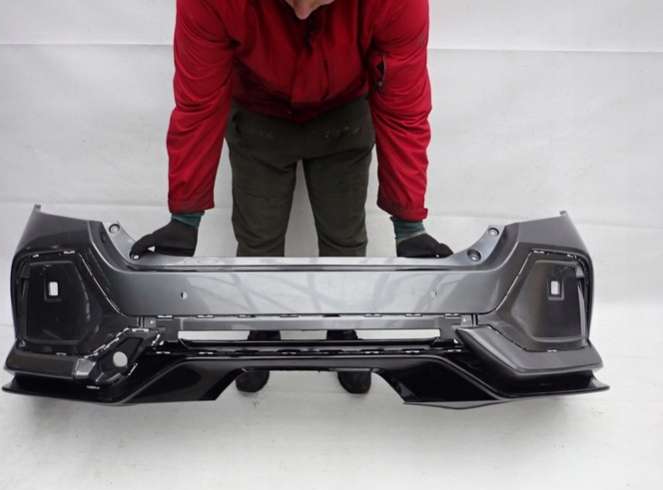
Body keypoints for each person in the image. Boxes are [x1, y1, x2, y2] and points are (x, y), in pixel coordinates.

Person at [131, 0, 453, 395]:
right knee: (258, 237)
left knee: (344, 237)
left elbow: (404, 109)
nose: (301, 13)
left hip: (345, 118)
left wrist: (409, 226)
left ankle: (343, 328)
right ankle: (262, 328)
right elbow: (199, 104)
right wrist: (185, 218)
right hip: (257, 118)